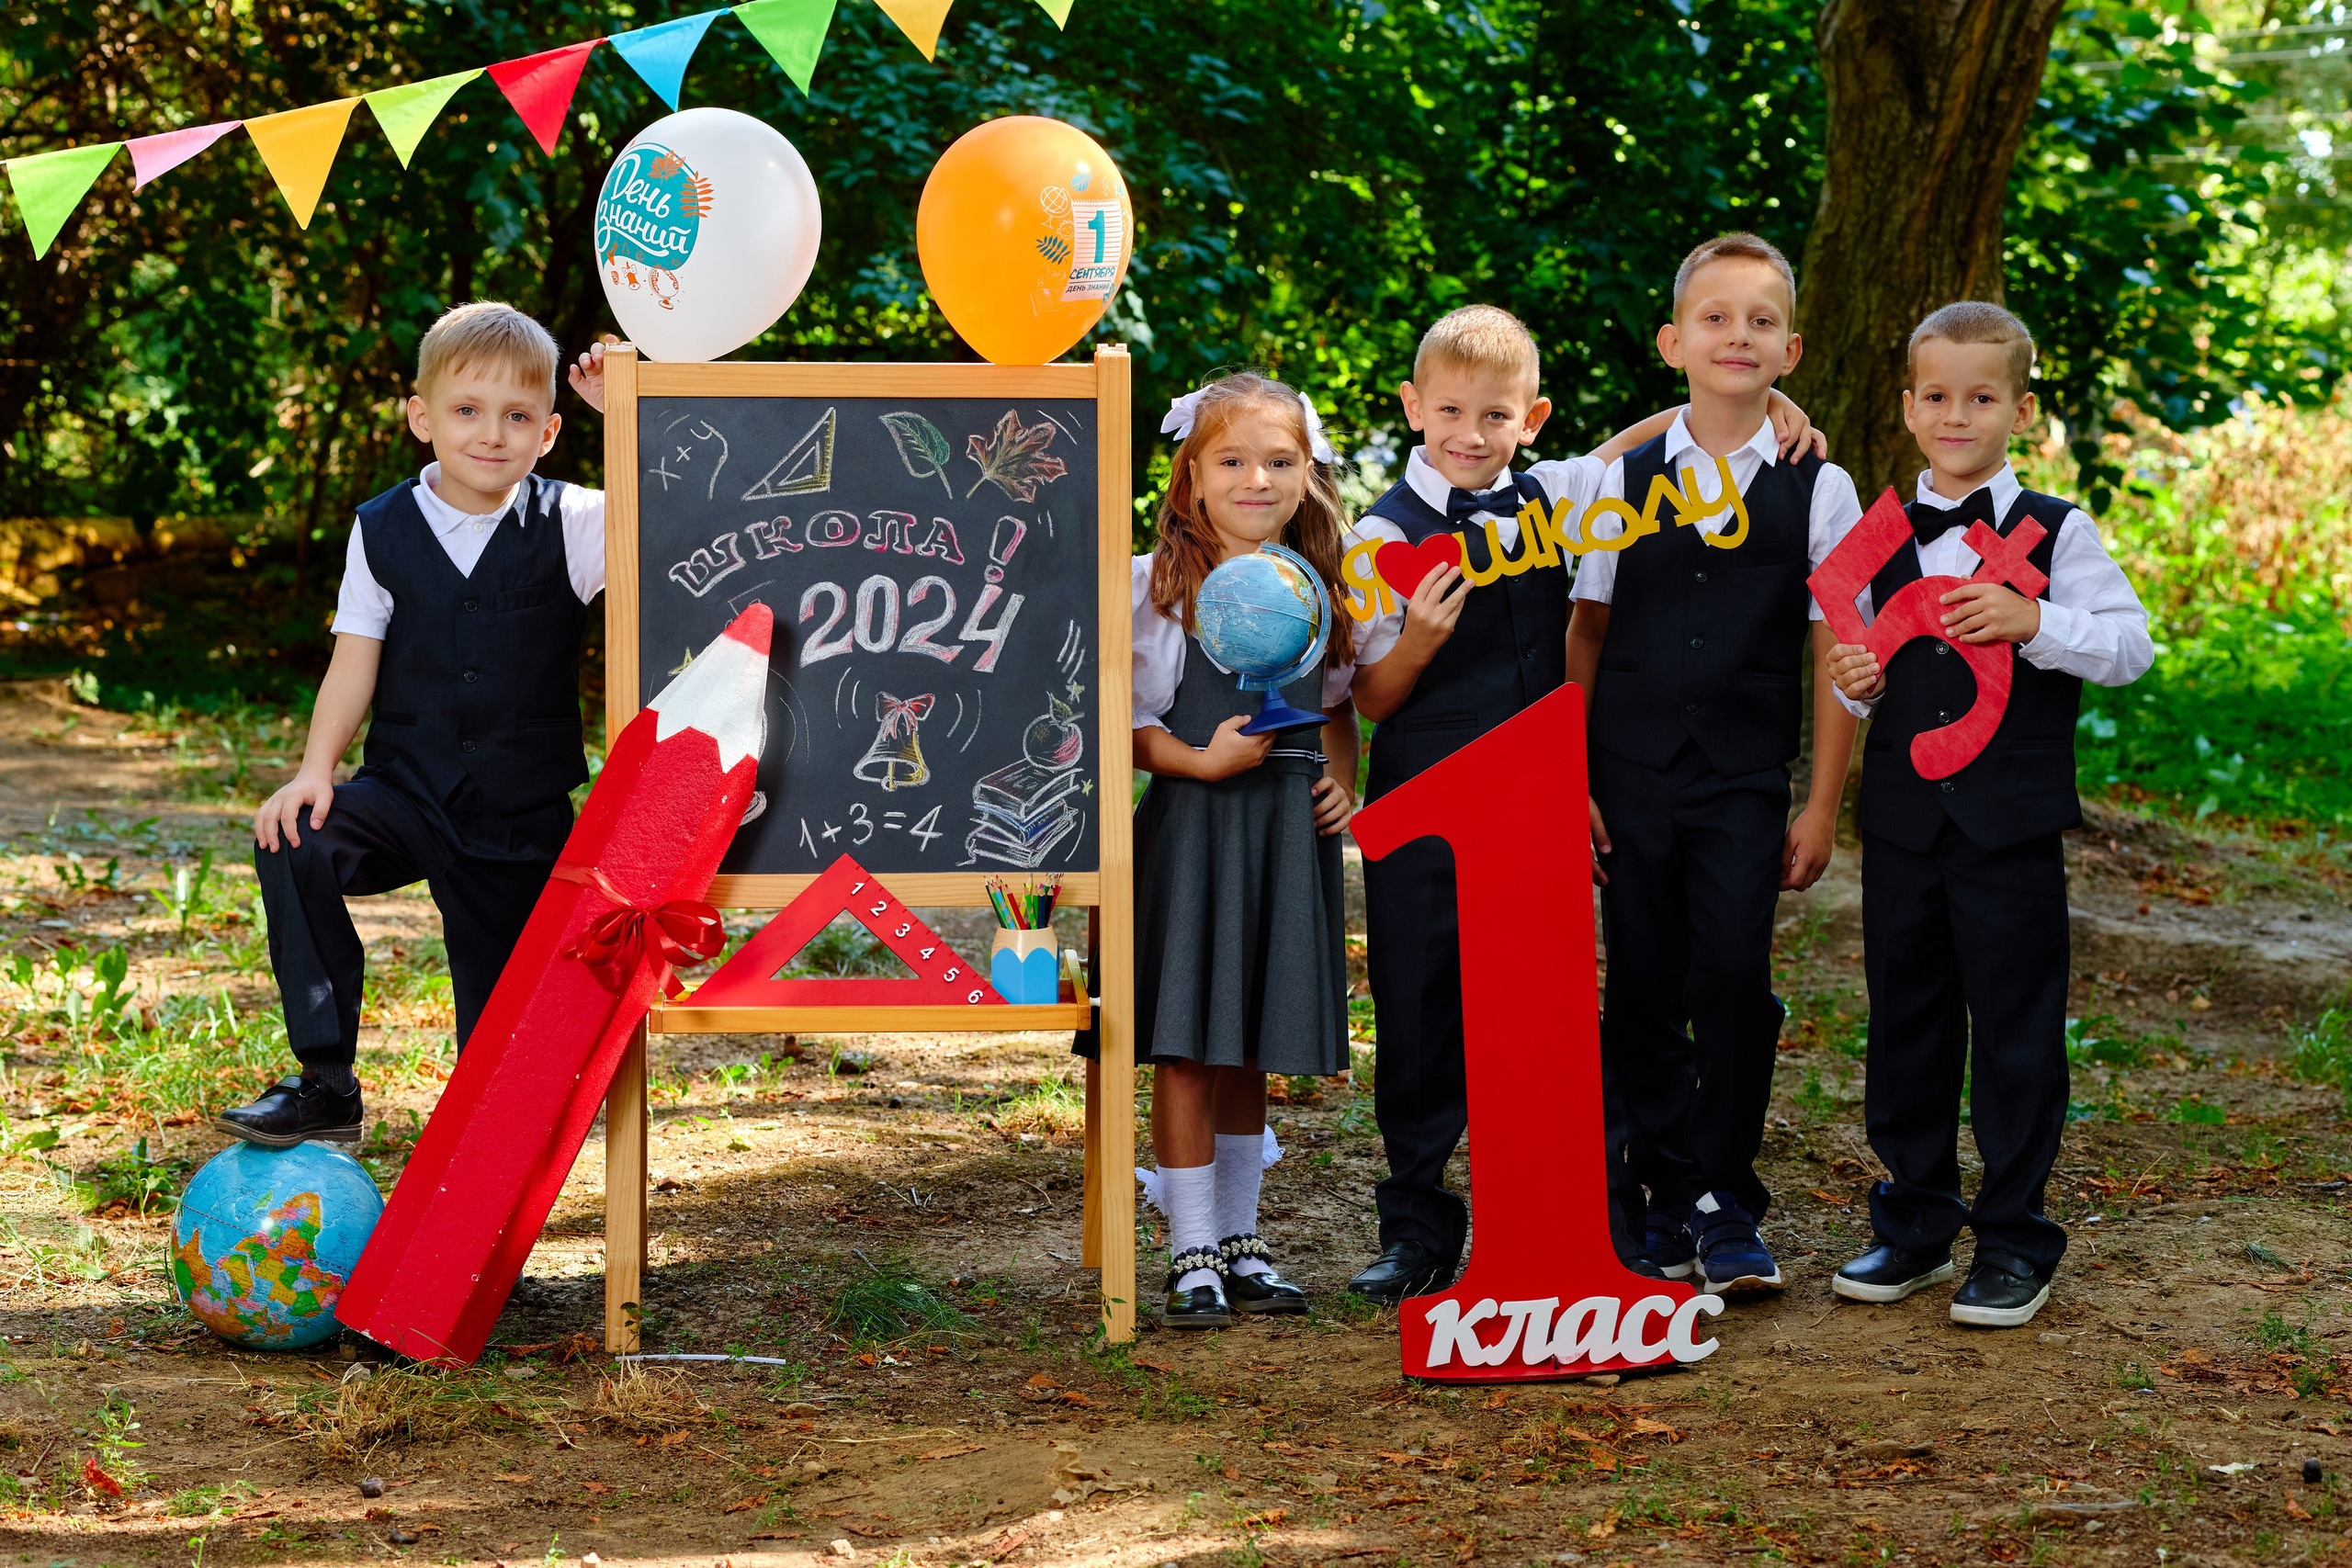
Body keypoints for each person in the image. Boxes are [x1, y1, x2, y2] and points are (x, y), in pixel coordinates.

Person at [1344, 304, 1825, 1305]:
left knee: (1551, 1012)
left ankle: (1591, 1215)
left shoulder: (1561, 496)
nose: (1469, 434)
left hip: (1531, 800)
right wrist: (1420, 642)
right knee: (1421, 1010)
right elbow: (1369, 700)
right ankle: (1416, 1222)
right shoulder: (1379, 534)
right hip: (1428, 801)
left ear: (1532, 419)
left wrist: (1767, 398)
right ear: (1411, 407)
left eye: (1494, 415)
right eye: (1448, 412)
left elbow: (1656, 433)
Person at [215, 305, 616, 1147]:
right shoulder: (381, 527)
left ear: (548, 432)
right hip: (407, 790)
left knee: (498, 1048)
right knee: (297, 838)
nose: (491, 434)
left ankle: (487, 1191)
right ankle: (326, 1081)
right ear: (421, 417)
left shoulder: (578, 523)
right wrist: (316, 770)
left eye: (516, 417)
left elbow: (684, 521)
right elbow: (354, 659)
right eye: (467, 410)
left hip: (519, 817)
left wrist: (630, 415)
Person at [1824, 301, 2153, 1328]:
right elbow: (1856, 682)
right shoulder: (1875, 534)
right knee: (1907, 1025)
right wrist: (1853, 682)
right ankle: (1914, 1220)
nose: (1955, 414)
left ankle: (2014, 1239)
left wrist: (2035, 620)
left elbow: (2129, 647)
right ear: (1909, 407)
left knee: (2014, 1033)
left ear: (2017, 407)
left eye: (1979, 397)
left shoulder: (2056, 531)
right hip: (1903, 828)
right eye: (1936, 396)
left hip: (2008, 828)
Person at [1565, 232, 1864, 1299]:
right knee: (1642, 980)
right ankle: (1657, 1195)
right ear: (1673, 341)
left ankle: (1727, 1197)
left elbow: (1837, 645)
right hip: (1628, 773)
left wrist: (1821, 802)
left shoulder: (1820, 490)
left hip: (1743, 778)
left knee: (1734, 979)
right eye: (1715, 318)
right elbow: (1585, 634)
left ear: (1790, 349)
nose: (1738, 335)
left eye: (1762, 321)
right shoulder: (1615, 479)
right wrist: (1574, 778)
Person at [1119, 371, 1360, 1328]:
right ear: (1189, 479)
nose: (1255, 478)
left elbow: (1334, 707)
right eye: (1231, 461)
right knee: (1186, 1041)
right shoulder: (1154, 590)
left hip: (1283, 836)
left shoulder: (1318, 588)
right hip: (1195, 827)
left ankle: (1241, 1239)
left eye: (1278, 460)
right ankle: (1190, 1256)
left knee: (1249, 1039)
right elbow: (1124, 724)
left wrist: (1342, 780)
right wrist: (1196, 760)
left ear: (1307, 475)